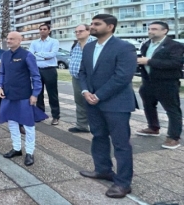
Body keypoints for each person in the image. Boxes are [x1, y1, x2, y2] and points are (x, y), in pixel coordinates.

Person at [78, 14, 137, 199]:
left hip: (116, 103)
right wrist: (85, 91)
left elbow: (122, 77)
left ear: (110, 27)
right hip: (92, 102)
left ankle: (123, 183)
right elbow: (82, 72)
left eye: (97, 24)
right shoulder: (88, 47)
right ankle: (103, 170)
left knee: (121, 144)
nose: (92, 26)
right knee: (98, 136)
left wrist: (99, 95)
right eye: (92, 23)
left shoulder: (124, 47)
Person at [0, 31, 46, 166]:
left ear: (20, 40)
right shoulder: (5, 55)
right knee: (12, 123)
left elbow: (36, 76)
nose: (9, 41)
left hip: (24, 96)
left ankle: (29, 152)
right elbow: (2, 73)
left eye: (12, 39)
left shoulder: (27, 55)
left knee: (28, 125)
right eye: (8, 38)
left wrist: (35, 94)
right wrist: (0, 86)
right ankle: (17, 148)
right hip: (8, 95)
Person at [136, 21, 184, 149]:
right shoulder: (146, 44)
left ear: (165, 31)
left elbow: (175, 64)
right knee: (148, 106)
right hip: (148, 82)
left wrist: (149, 61)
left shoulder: (174, 46)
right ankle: (153, 127)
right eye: (150, 29)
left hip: (167, 83)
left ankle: (174, 137)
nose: (151, 31)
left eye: (155, 29)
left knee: (172, 109)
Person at [29, 23, 61, 125]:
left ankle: (55, 116)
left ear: (49, 30)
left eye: (44, 29)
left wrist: (37, 54)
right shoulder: (34, 43)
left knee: (53, 94)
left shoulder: (54, 42)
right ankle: (40, 114)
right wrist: (44, 56)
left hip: (50, 70)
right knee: (38, 93)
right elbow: (30, 55)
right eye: (41, 29)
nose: (42, 31)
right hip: (37, 70)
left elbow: (53, 54)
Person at [68, 24, 95, 133]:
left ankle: (95, 125)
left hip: (90, 78)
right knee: (79, 101)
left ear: (88, 31)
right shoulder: (76, 44)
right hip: (76, 77)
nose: (78, 33)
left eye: (81, 31)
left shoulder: (94, 43)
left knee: (92, 101)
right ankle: (81, 125)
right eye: (76, 31)